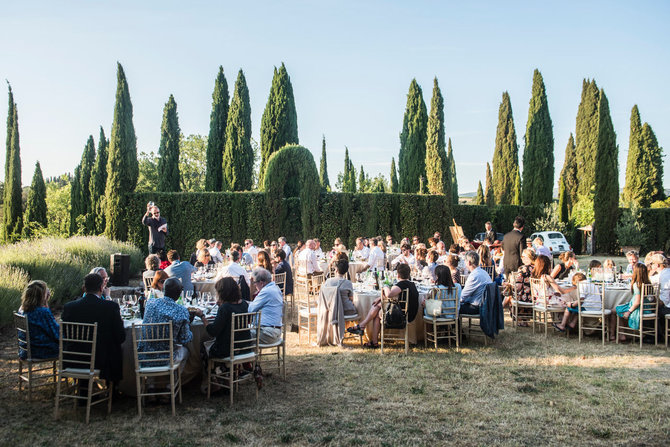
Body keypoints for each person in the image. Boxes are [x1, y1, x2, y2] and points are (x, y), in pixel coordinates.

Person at [61, 273, 126, 384]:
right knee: (114, 347)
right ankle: (113, 389)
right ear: (101, 288)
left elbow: (66, 335)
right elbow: (121, 337)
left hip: (73, 357)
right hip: (100, 361)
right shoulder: (110, 307)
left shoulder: (69, 307)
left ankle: (83, 387)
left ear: (84, 288)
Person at [347, 263, 418, 348]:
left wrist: (385, 287)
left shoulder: (401, 285)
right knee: (379, 306)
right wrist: (380, 298)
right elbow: (395, 298)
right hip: (409, 315)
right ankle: (370, 337)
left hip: (400, 316)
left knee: (377, 310)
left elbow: (389, 295)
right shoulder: (412, 285)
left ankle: (364, 328)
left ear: (398, 275)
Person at [141, 277, 192, 373]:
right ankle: (172, 384)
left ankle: (151, 385)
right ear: (179, 293)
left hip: (145, 356)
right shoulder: (181, 310)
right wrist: (188, 324)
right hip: (167, 358)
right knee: (187, 352)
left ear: (163, 289)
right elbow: (185, 338)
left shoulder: (150, 303)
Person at [198, 277, 249, 362]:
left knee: (203, 346)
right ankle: (234, 370)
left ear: (222, 292)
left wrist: (202, 316)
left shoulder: (225, 308)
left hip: (227, 350)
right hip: (245, 346)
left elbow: (212, 332)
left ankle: (215, 371)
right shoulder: (244, 304)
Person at [17, 280, 59, 360]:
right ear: (41, 296)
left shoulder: (21, 309)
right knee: (69, 346)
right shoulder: (42, 312)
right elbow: (56, 334)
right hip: (40, 351)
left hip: (25, 351)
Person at [612, 263, 653, 341]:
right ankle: (624, 333)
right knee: (619, 309)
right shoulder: (648, 283)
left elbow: (637, 302)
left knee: (615, 310)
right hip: (647, 309)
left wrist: (629, 311)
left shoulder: (637, 285)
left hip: (638, 309)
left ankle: (621, 334)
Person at [247, 268, 284, 344]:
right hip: (274, 331)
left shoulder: (266, 291)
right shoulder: (274, 287)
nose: (255, 285)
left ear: (261, 283)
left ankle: (246, 355)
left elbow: (250, 310)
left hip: (267, 333)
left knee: (237, 334)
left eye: (255, 283)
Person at [506, 249, 537, 326]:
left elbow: (517, 286)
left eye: (523, 256)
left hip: (525, 297)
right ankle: (523, 320)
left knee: (510, 296)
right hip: (535, 297)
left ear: (527, 257)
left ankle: (519, 319)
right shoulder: (536, 268)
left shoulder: (523, 269)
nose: (521, 258)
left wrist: (509, 285)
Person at [459, 251, 493, 315]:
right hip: (486, 305)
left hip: (478, 307)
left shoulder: (474, 276)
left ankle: (454, 325)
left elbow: (462, 296)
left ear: (468, 262)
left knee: (454, 308)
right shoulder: (484, 272)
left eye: (465, 262)